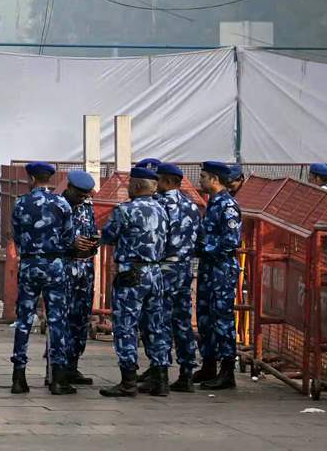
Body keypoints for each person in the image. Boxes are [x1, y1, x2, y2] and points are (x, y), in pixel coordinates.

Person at [99, 166, 171, 398]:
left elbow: (108, 235)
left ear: (137, 186)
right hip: (155, 273)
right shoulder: (162, 210)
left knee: (125, 326)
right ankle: (161, 379)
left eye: (130, 184)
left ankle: (128, 380)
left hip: (131, 273)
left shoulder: (125, 210)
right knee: (155, 326)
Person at [9, 162, 74, 395]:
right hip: (55, 265)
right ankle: (58, 378)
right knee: (56, 320)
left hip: (29, 264)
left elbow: (16, 235)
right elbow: (69, 238)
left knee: (24, 320)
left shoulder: (20, 203)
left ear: (32, 179)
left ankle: (19, 376)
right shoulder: (62, 203)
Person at [191, 161, 241, 391]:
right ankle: (209, 364)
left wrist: (205, 248)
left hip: (221, 269)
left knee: (222, 319)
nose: (200, 180)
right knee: (205, 318)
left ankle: (227, 371)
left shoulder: (227, 206)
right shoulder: (212, 203)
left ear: (214, 179)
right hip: (208, 268)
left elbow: (231, 241)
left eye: (203, 176)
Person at [153, 162, 200, 393]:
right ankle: (186, 373)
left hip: (163, 269)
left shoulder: (159, 204)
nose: (156, 184)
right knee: (182, 322)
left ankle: (160, 375)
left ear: (168, 181)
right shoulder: (191, 206)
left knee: (160, 321)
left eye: (159, 179)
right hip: (183, 269)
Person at [58, 170, 101, 390]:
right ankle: (57, 368)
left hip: (84, 268)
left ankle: (73, 365)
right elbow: (46, 238)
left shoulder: (87, 207)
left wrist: (93, 242)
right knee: (61, 318)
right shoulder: (56, 206)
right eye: (80, 195)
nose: (83, 199)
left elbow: (91, 229)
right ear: (70, 189)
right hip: (64, 267)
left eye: (86, 195)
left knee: (80, 317)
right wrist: (70, 243)